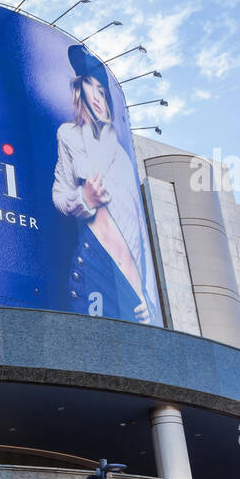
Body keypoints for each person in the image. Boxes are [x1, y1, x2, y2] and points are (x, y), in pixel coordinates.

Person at [51, 44, 160, 325]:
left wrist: (147, 296)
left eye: (103, 91)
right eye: (91, 88)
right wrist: (84, 198)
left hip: (130, 289)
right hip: (94, 266)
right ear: (80, 92)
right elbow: (60, 195)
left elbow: (138, 227)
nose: (98, 98)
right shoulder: (69, 135)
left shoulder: (124, 156)